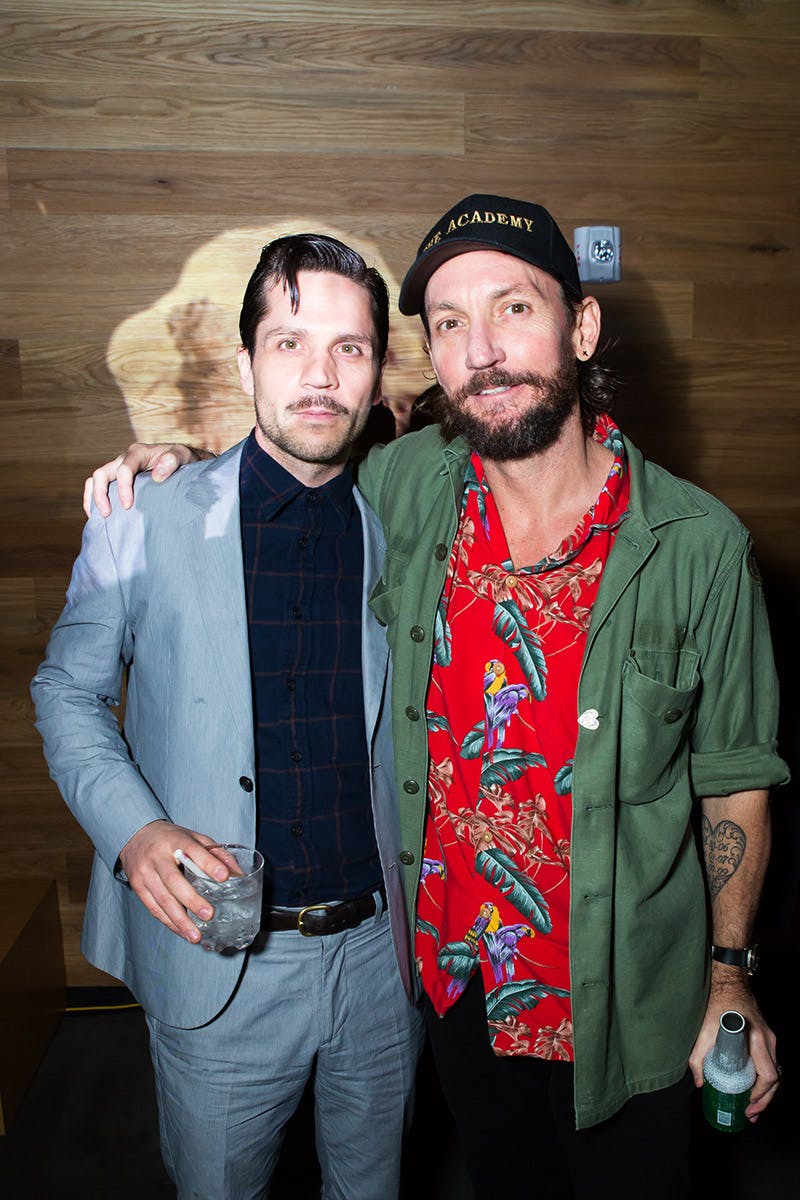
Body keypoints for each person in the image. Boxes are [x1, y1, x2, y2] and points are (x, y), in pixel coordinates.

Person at [83, 196, 788, 1199]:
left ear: (582, 328)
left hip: (625, 1008)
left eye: (513, 308)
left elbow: (733, 779)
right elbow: (290, 466)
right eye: (450, 323)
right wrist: (178, 471)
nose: (482, 351)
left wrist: (728, 977)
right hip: (457, 995)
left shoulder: (698, 548)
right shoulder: (407, 487)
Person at [32, 233, 424, 1200]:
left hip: (384, 960)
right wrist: (134, 831)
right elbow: (67, 691)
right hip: (222, 958)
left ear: (377, 373)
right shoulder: (145, 514)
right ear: (246, 364)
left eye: (349, 347)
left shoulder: (409, 523)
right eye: (290, 343)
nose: (320, 375)